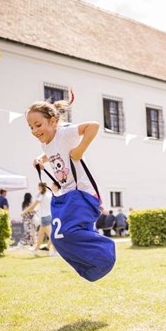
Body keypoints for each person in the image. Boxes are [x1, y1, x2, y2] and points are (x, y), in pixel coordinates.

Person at [29, 97, 115, 281]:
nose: (35, 131)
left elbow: (93, 126)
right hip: (69, 194)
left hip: (84, 192)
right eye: (31, 127)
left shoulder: (65, 132)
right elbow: (52, 152)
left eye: (38, 125)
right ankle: (91, 268)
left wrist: (80, 149)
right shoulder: (46, 142)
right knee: (58, 238)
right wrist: (41, 159)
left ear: (52, 121)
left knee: (68, 233)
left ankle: (106, 249)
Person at [33, 182, 53, 254]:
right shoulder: (49, 195)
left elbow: (34, 205)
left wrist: (25, 212)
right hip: (48, 216)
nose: (38, 188)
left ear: (40, 187)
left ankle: (55, 251)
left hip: (44, 217)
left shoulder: (41, 195)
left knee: (51, 236)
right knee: (40, 234)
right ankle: (36, 250)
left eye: (38, 187)